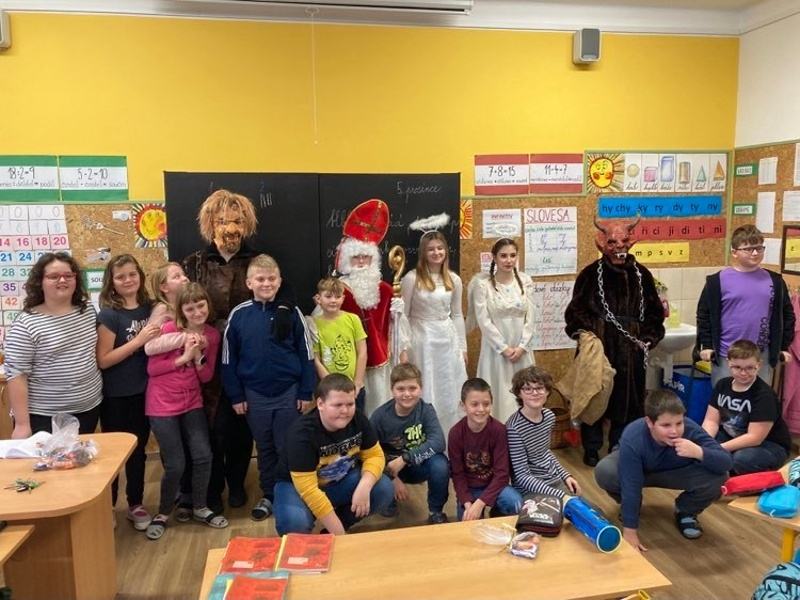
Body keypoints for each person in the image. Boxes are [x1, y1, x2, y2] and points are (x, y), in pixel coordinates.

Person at [183, 189, 290, 512]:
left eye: (237, 221)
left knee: (243, 426)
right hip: (207, 358)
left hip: (249, 357)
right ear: (210, 224)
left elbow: (280, 296)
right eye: (222, 221)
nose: (230, 228)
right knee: (213, 428)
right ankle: (212, 489)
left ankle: (238, 483)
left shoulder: (257, 262)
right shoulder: (194, 264)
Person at [564, 216, 664, 467]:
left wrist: (648, 338)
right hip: (599, 347)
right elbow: (575, 311)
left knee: (627, 400)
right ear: (602, 244)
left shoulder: (642, 275)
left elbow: (654, 313)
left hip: (631, 349)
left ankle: (619, 445)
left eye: (623, 241)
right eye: (612, 242)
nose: (619, 246)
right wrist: (589, 333)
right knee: (595, 395)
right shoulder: (590, 274)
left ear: (631, 242)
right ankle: (592, 447)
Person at [222, 254, 316, 522]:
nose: (266, 284)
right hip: (254, 395)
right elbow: (228, 359)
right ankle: (269, 494)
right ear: (249, 283)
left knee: (287, 445)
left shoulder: (293, 313)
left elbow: (306, 354)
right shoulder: (239, 315)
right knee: (264, 447)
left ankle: (291, 493)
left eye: (271, 278)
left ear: (280, 281)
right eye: (260, 279)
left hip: (289, 393)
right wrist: (236, 395)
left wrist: (305, 391)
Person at [594, 390, 732, 551]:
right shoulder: (633, 436)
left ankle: (686, 511)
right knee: (606, 471)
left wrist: (699, 452)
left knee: (719, 476)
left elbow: (726, 462)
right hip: (636, 470)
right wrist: (630, 532)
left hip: (673, 472)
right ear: (650, 422)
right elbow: (631, 484)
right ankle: (629, 507)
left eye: (679, 423)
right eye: (666, 425)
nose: (674, 431)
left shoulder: (691, 429)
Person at [144, 283, 227, 540]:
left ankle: (200, 507)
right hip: (162, 404)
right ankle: (163, 512)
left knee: (203, 456)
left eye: (201, 306)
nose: (197, 312)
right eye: (190, 309)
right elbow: (152, 369)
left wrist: (198, 356)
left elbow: (206, 376)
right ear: (181, 311)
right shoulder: (170, 330)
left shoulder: (211, 335)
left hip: (192, 401)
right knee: (176, 463)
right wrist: (184, 356)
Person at [273, 374, 394, 535]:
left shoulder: (358, 418)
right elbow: (308, 490)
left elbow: (375, 456)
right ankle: (327, 527)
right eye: (337, 405)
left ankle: (334, 529)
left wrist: (364, 486)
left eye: (350, 404)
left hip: (338, 480)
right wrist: (341, 536)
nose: (345, 411)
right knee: (295, 524)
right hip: (296, 487)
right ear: (320, 404)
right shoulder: (301, 434)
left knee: (383, 488)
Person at [5, 252, 103, 439]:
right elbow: (16, 375)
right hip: (44, 416)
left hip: (88, 408)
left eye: (68, 275)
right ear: (40, 282)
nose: (62, 280)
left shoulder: (87, 310)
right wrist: (22, 424)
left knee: (79, 456)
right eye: (53, 276)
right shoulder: (26, 324)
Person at [96, 254, 161, 531]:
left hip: (145, 392)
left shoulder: (150, 308)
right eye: (120, 276)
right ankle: (108, 507)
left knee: (138, 451)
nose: (127, 280)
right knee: (113, 455)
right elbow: (104, 360)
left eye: (132, 274)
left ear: (140, 276)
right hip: (116, 396)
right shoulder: (109, 314)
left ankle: (135, 504)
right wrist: (140, 340)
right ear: (111, 281)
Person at [331, 198, 409, 414]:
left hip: (379, 362)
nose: (361, 262)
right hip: (348, 365)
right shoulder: (337, 290)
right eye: (356, 257)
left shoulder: (386, 290)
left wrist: (402, 356)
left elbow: (397, 330)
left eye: (366, 257)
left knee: (378, 408)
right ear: (347, 260)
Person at [696, 224, 795, 387]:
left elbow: (787, 315)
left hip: (760, 355)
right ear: (734, 252)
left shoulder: (775, 281)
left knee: (759, 400)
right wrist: (706, 346)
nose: (755, 253)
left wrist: (783, 346)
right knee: (725, 398)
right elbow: (704, 315)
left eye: (759, 248)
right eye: (748, 249)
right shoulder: (716, 281)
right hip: (726, 354)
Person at [401, 226, 467, 433]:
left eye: (440, 248)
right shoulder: (412, 278)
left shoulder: (454, 279)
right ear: (423, 252)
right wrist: (404, 346)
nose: (436, 252)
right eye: (431, 249)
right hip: (422, 339)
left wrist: (463, 347)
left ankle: (450, 434)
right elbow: (404, 314)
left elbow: (457, 314)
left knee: (449, 386)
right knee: (426, 384)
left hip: (447, 339)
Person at [369, 363, 450, 524]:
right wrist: (392, 477)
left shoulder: (426, 410)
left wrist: (405, 458)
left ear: (421, 389)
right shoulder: (379, 417)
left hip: (415, 464)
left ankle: (436, 511)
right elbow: (370, 454)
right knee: (386, 504)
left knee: (440, 464)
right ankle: (387, 498)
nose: (407, 394)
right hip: (388, 468)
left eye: (412, 388)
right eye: (400, 389)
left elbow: (439, 442)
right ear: (392, 390)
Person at [467, 238, 535, 423]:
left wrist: (522, 346)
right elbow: (484, 320)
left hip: (521, 351)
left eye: (512, 255)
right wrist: (503, 348)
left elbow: (531, 317)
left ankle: (524, 432)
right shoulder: (483, 285)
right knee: (498, 393)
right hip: (495, 351)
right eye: (503, 256)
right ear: (494, 258)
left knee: (524, 392)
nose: (509, 260)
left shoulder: (525, 281)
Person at [701, 339, 791, 474]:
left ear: (758, 365)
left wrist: (717, 449)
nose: (743, 373)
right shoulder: (722, 385)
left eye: (749, 368)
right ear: (729, 363)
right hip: (732, 435)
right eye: (737, 367)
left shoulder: (764, 395)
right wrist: (705, 443)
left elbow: (755, 437)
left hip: (769, 444)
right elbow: (711, 421)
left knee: (741, 459)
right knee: (699, 439)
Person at [448, 378, 522, 521]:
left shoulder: (499, 430)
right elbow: (457, 474)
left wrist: (480, 504)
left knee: (516, 503)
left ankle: (497, 511)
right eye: (474, 404)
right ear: (463, 406)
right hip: (470, 489)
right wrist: (468, 504)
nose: (481, 409)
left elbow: (502, 474)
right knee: (467, 524)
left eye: (486, 404)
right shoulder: (455, 433)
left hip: (495, 486)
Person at [506, 366, 581, 500]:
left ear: (547, 391)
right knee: (567, 509)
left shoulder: (549, 416)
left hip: (553, 479)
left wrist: (566, 476)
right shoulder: (514, 428)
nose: (534, 393)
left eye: (540, 388)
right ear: (519, 393)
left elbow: (545, 452)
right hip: (530, 488)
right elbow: (522, 476)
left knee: (589, 509)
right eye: (527, 389)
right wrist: (562, 496)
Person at [310, 277, 367, 412]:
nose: (333, 300)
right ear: (318, 299)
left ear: (343, 298)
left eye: (337, 296)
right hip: (329, 388)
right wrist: (331, 385)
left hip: (354, 387)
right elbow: (316, 359)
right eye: (328, 296)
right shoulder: (314, 324)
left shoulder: (353, 319)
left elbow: (362, 351)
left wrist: (358, 382)